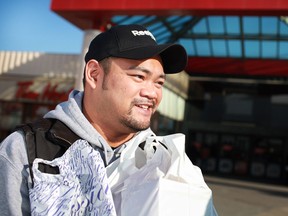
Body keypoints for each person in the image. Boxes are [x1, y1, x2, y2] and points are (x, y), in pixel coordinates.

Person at [0, 24, 217, 215]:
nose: (152, 93)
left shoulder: (168, 160)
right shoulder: (25, 151)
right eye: (139, 77)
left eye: (159, 83)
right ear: (94, 74)